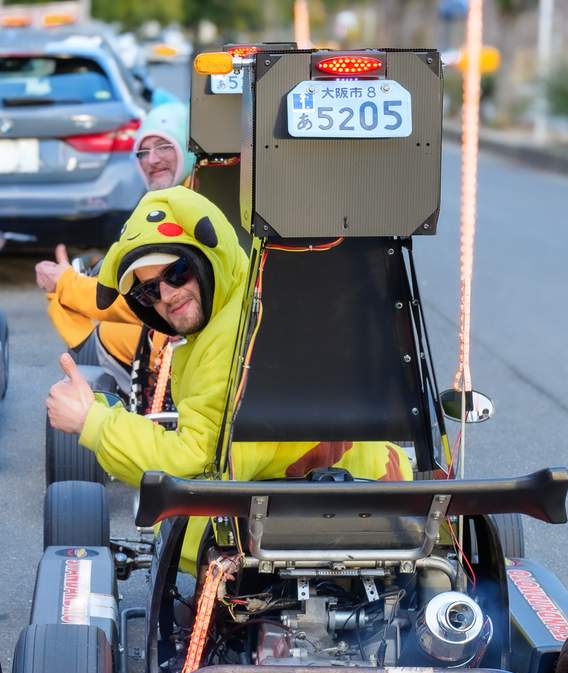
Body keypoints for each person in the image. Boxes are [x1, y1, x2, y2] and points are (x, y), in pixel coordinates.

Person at [45, 188, 411, 564]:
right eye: (149, 291)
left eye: (177, 272)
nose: (167, 296)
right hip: (379, 488)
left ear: (207, 258)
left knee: (175, 524)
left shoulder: (231, 336)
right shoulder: (260, 293)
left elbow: (191, 467)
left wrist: (93, 422)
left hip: (302, 516)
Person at [35, 104, 198, 395]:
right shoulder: (169, 199)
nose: (152, 160)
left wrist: (65, 285)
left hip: (184, 339)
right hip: (184, 334)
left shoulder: (186, 207)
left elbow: (148, 301)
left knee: (105, 334)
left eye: (164, 146)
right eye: (143, 152)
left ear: (188, 148)